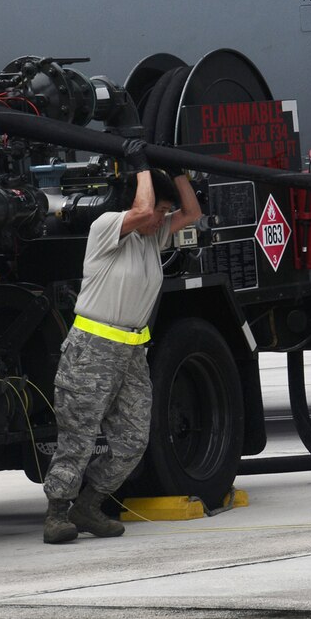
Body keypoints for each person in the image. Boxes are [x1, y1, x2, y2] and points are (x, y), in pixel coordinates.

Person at [42, 139, 203, 544]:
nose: (162, 219)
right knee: (78, 436)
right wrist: (140, 164)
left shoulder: (152, 239)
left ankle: (89, 504)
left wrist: (177, 169)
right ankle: (57, 513)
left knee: (133, 439)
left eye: (166, 214)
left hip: (132, 353)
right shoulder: (108, 228)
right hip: (91, 350)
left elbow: (193, 212)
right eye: (160, 212)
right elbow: (144, 210)